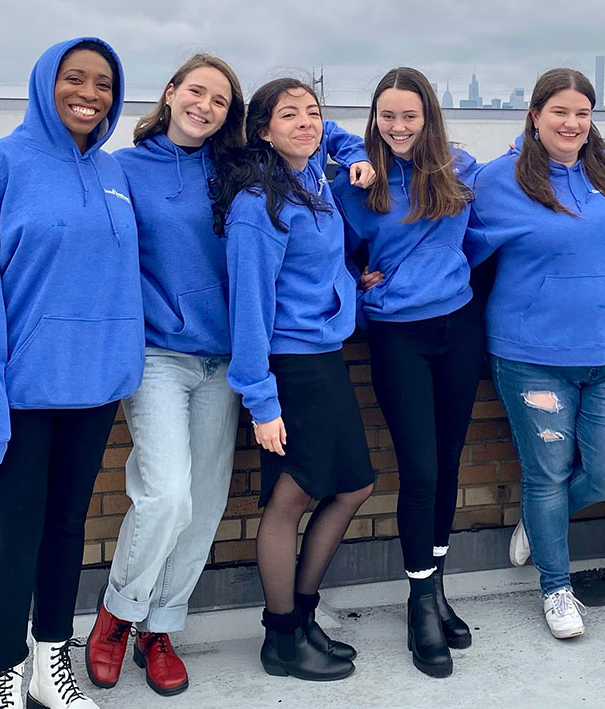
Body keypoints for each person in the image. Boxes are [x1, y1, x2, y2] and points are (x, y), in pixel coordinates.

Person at [0, 37, 143, 708]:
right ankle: (1, 676)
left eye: (104, 83)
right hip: (19, 393)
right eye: (75, 78)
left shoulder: (115, 173)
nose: (90, 93)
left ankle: (50, 665)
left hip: (92, 391)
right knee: (12, 536)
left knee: (66, 528)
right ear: (44, 83)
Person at [463, 68, 605, 640]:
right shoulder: (497, 181)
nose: (571, 123)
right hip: (531, 355)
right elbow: (449, 240)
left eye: (583, 113)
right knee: (543, 474)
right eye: (559, 112)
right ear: (535, 116)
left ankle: (543, 521)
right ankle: (556, 587)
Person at [84, 55, 245, 697]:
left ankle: (160, 627)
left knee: (203, 505)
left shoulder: (235, 172)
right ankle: (115, 617)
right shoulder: (120, 169)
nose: (205, 106)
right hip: (157, 356)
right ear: (171, 91)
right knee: (167, 495)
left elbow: (307, 131)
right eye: (195, 91)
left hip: (226, 360)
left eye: (220, 101)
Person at [212, 78, 377, 680]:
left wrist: (352, 153)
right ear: (262, 131)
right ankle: (282, 635)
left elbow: (329, 137)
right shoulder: (260, 203)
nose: (308, 123)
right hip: (291, 362)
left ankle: (301, 618)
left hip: (322, 353)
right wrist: (261, 401)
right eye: (290, 116)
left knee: (350, 485)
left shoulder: (311, 180)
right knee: (295, 495)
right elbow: (249, 306)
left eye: (314, 113)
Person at [332, 67, 483, 678]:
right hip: (397, 335)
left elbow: (475, 240)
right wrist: (356, 281)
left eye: (410, 116)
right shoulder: (359, 181)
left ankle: (438, 588)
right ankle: (419, 601)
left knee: (448, 464)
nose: (398, 127)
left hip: (459, 328)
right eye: (387, 116)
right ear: (374, 118)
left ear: (429, 118)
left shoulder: (460, 169)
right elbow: (329, 250)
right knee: (419, 470)